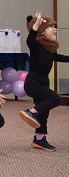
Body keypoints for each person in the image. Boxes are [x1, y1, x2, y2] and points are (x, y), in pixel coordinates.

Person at [19, 11, 69, 151]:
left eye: (55, 27)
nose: (54, 29)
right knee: (56, 99)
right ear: (42, 31)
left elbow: (59, 57)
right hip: (33, 83)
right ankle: (31, 112)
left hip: (43, 82)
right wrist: (36, 25)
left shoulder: (49, 49)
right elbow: (30, 40)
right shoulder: (36, 45)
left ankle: (39, 139)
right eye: (51, 27)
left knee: (44, 112)